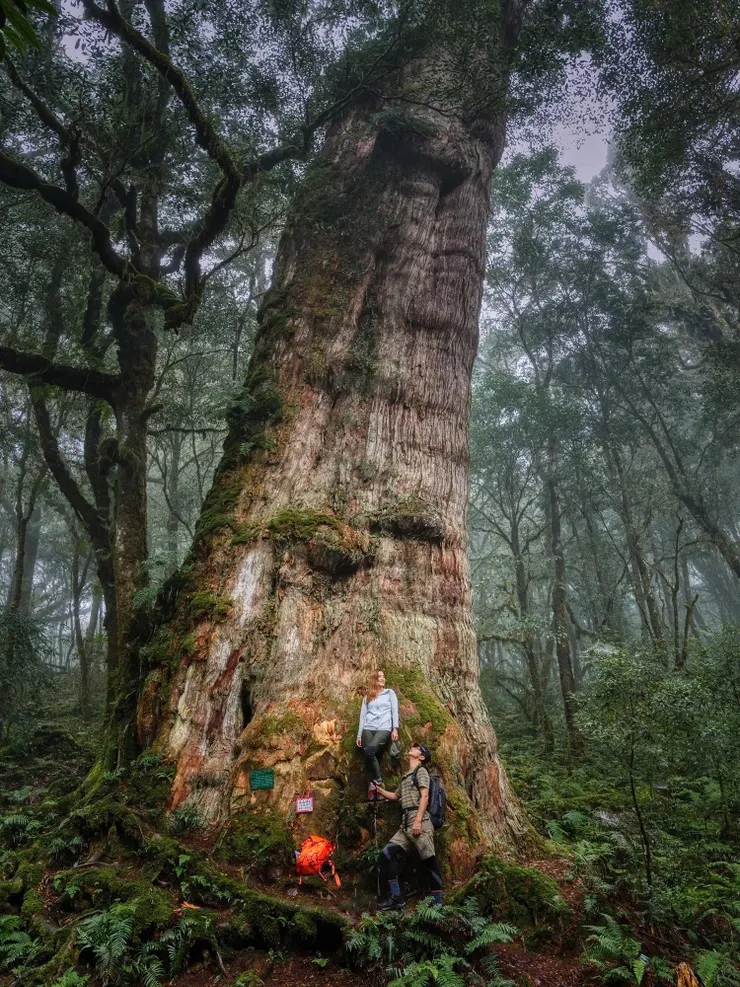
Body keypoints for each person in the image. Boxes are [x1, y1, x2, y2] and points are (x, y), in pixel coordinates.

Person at [373, 743, 443, 910]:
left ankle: (437, 904)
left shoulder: (421, 771)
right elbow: (395, 796)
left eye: (417, 747)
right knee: (386, 855)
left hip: (419, 820)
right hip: (405, 824)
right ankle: (397, 898)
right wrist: (379, 790)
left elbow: (424, 796)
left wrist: (418, 820)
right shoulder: (406, 776)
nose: (413, 747)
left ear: (422, 757)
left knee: (429, 861)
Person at [356, 669, 399, 796]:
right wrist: (359, 734)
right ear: (374, 679)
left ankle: (378, 779)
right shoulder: (367, 697)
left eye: (383, 676)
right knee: (367, 755)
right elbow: (363, 716)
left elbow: (394, 711)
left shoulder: (389, 693)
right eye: (379, 676)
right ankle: (372, 786)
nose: (382, 678)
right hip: (367, 728)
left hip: (383, 727)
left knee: (370, 751)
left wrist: (395, 728)